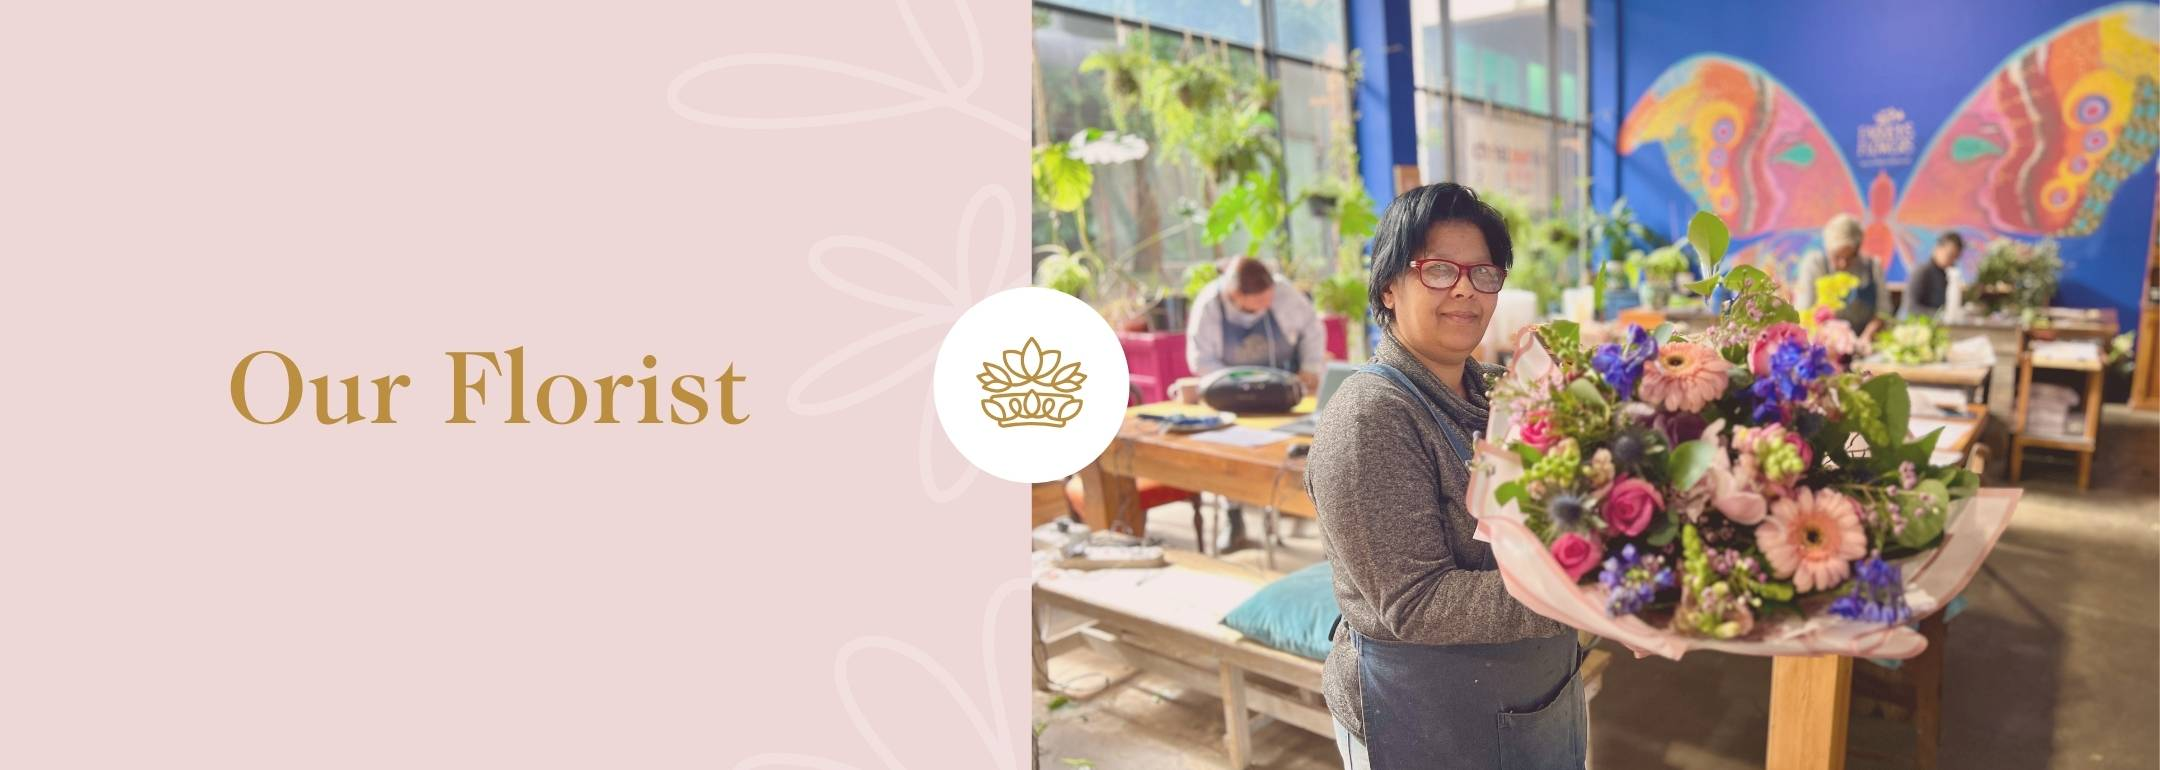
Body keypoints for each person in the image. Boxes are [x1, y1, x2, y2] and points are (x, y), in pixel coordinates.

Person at [1307, 182, 1584, 769]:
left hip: (1536, 695)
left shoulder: (1501, 392)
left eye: (1483, 273)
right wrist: (1585, 592)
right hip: (1424, 717)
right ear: (1389, 286)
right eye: (1438, 269)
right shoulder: (1371, 416)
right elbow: (1416, 603)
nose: (1465, 288)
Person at [1184, 256, 1326, 551]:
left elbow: (1312, 329)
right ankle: (1233, 518)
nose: (1262, 310)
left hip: (1287, 391)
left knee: (1303, 441)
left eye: (1267, 304)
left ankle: (1314, 513)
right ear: (1232, 296)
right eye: (1254, 307)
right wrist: (1237, 386)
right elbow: (1201, 360)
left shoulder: (1284, 293)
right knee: (1229, 451)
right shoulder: (1209, 305)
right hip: (1238, 395)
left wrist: (1311, 367)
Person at [1793, 213, 1892, 339]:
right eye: (1837, 257)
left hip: (1864, 341)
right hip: (1824, 340)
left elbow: (1884, 312)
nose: (1843, 264)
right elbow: (1804, 312)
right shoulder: (1815, 264)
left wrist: (1866, 338)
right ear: (1828, 250)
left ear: (1858, 249)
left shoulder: (1872, 267)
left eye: (1851, 257)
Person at [1906, 232, 1964, 317]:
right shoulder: (1922, 272)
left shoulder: (1949, 274)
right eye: (1949, 255)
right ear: (1937, 248)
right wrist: (1941, 315)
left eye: (1955, 257)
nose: (1952, 260)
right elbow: (1911, 307)